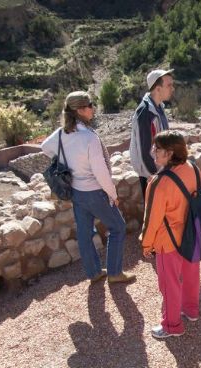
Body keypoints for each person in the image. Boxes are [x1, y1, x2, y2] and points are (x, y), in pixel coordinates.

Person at [41, 91, 133, 283]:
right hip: (94, 191)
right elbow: (100, 172)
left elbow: (45, 147)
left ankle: (94, 273)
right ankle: (115, 273)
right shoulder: (89, 138)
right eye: (91, 105)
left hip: (76, 192)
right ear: (81, 110)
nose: (93, 108)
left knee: (85, 234)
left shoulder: (61, 134)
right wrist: (112, 194)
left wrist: (67, 160)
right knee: (118, 227)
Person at [140, 131, 201, 338]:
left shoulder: (159, 182)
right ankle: (191, 311)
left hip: (169, 241)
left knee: (170, 283)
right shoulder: (193, 168)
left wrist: (147, 244)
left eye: (157, 149)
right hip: (192, 234)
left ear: (170, 153)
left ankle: (172, 326)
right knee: (192, 274)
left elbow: (152, 220)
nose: (152, 152)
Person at [130, 68, 175, 201]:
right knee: (153, 213)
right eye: (169, 85)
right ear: (157, 88)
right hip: (152, 174)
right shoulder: (145, 113)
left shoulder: (158, 107)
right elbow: (145, 151)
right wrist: (155, 176)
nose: (172, 88)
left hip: (162, 169)